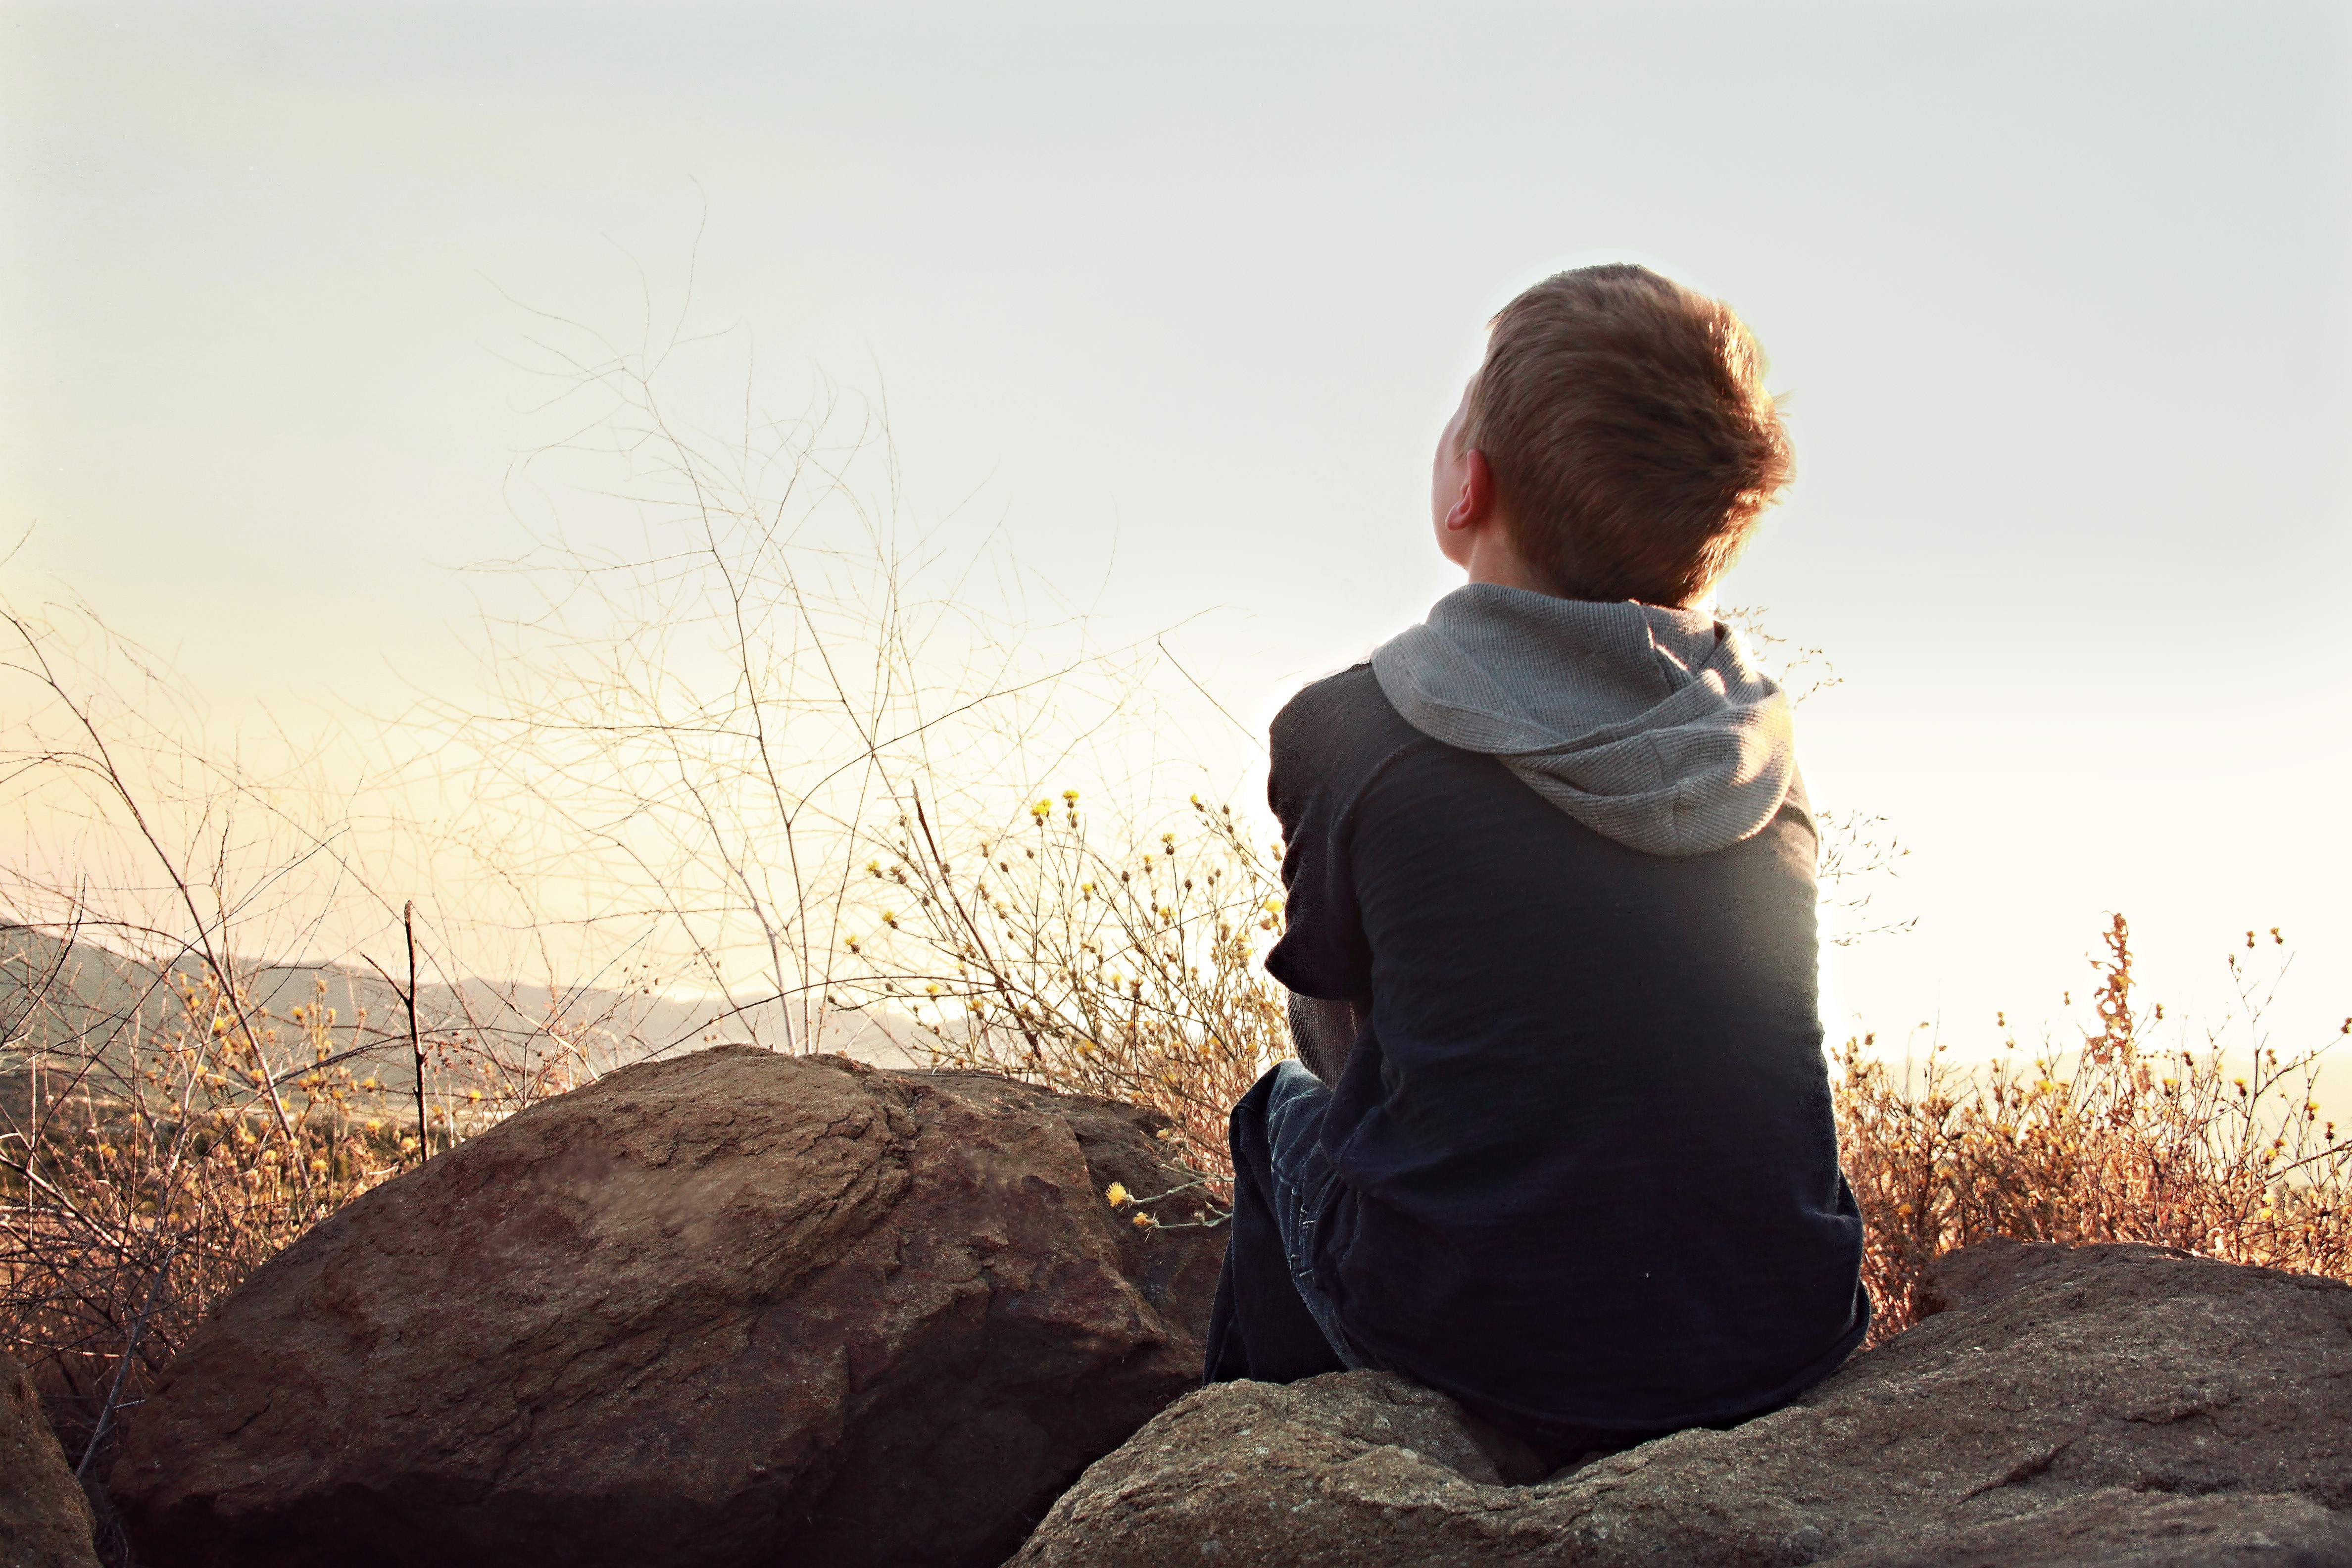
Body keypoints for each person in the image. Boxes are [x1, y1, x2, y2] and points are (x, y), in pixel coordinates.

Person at [1203, 263, 1870, 1472]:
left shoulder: (1350, 728)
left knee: (1277, 1118)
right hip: (1781, 1329)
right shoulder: (1759, 746)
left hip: (1481, 1335)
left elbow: (1342, 1049)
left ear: (1470, 482)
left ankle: (1263, 1466)